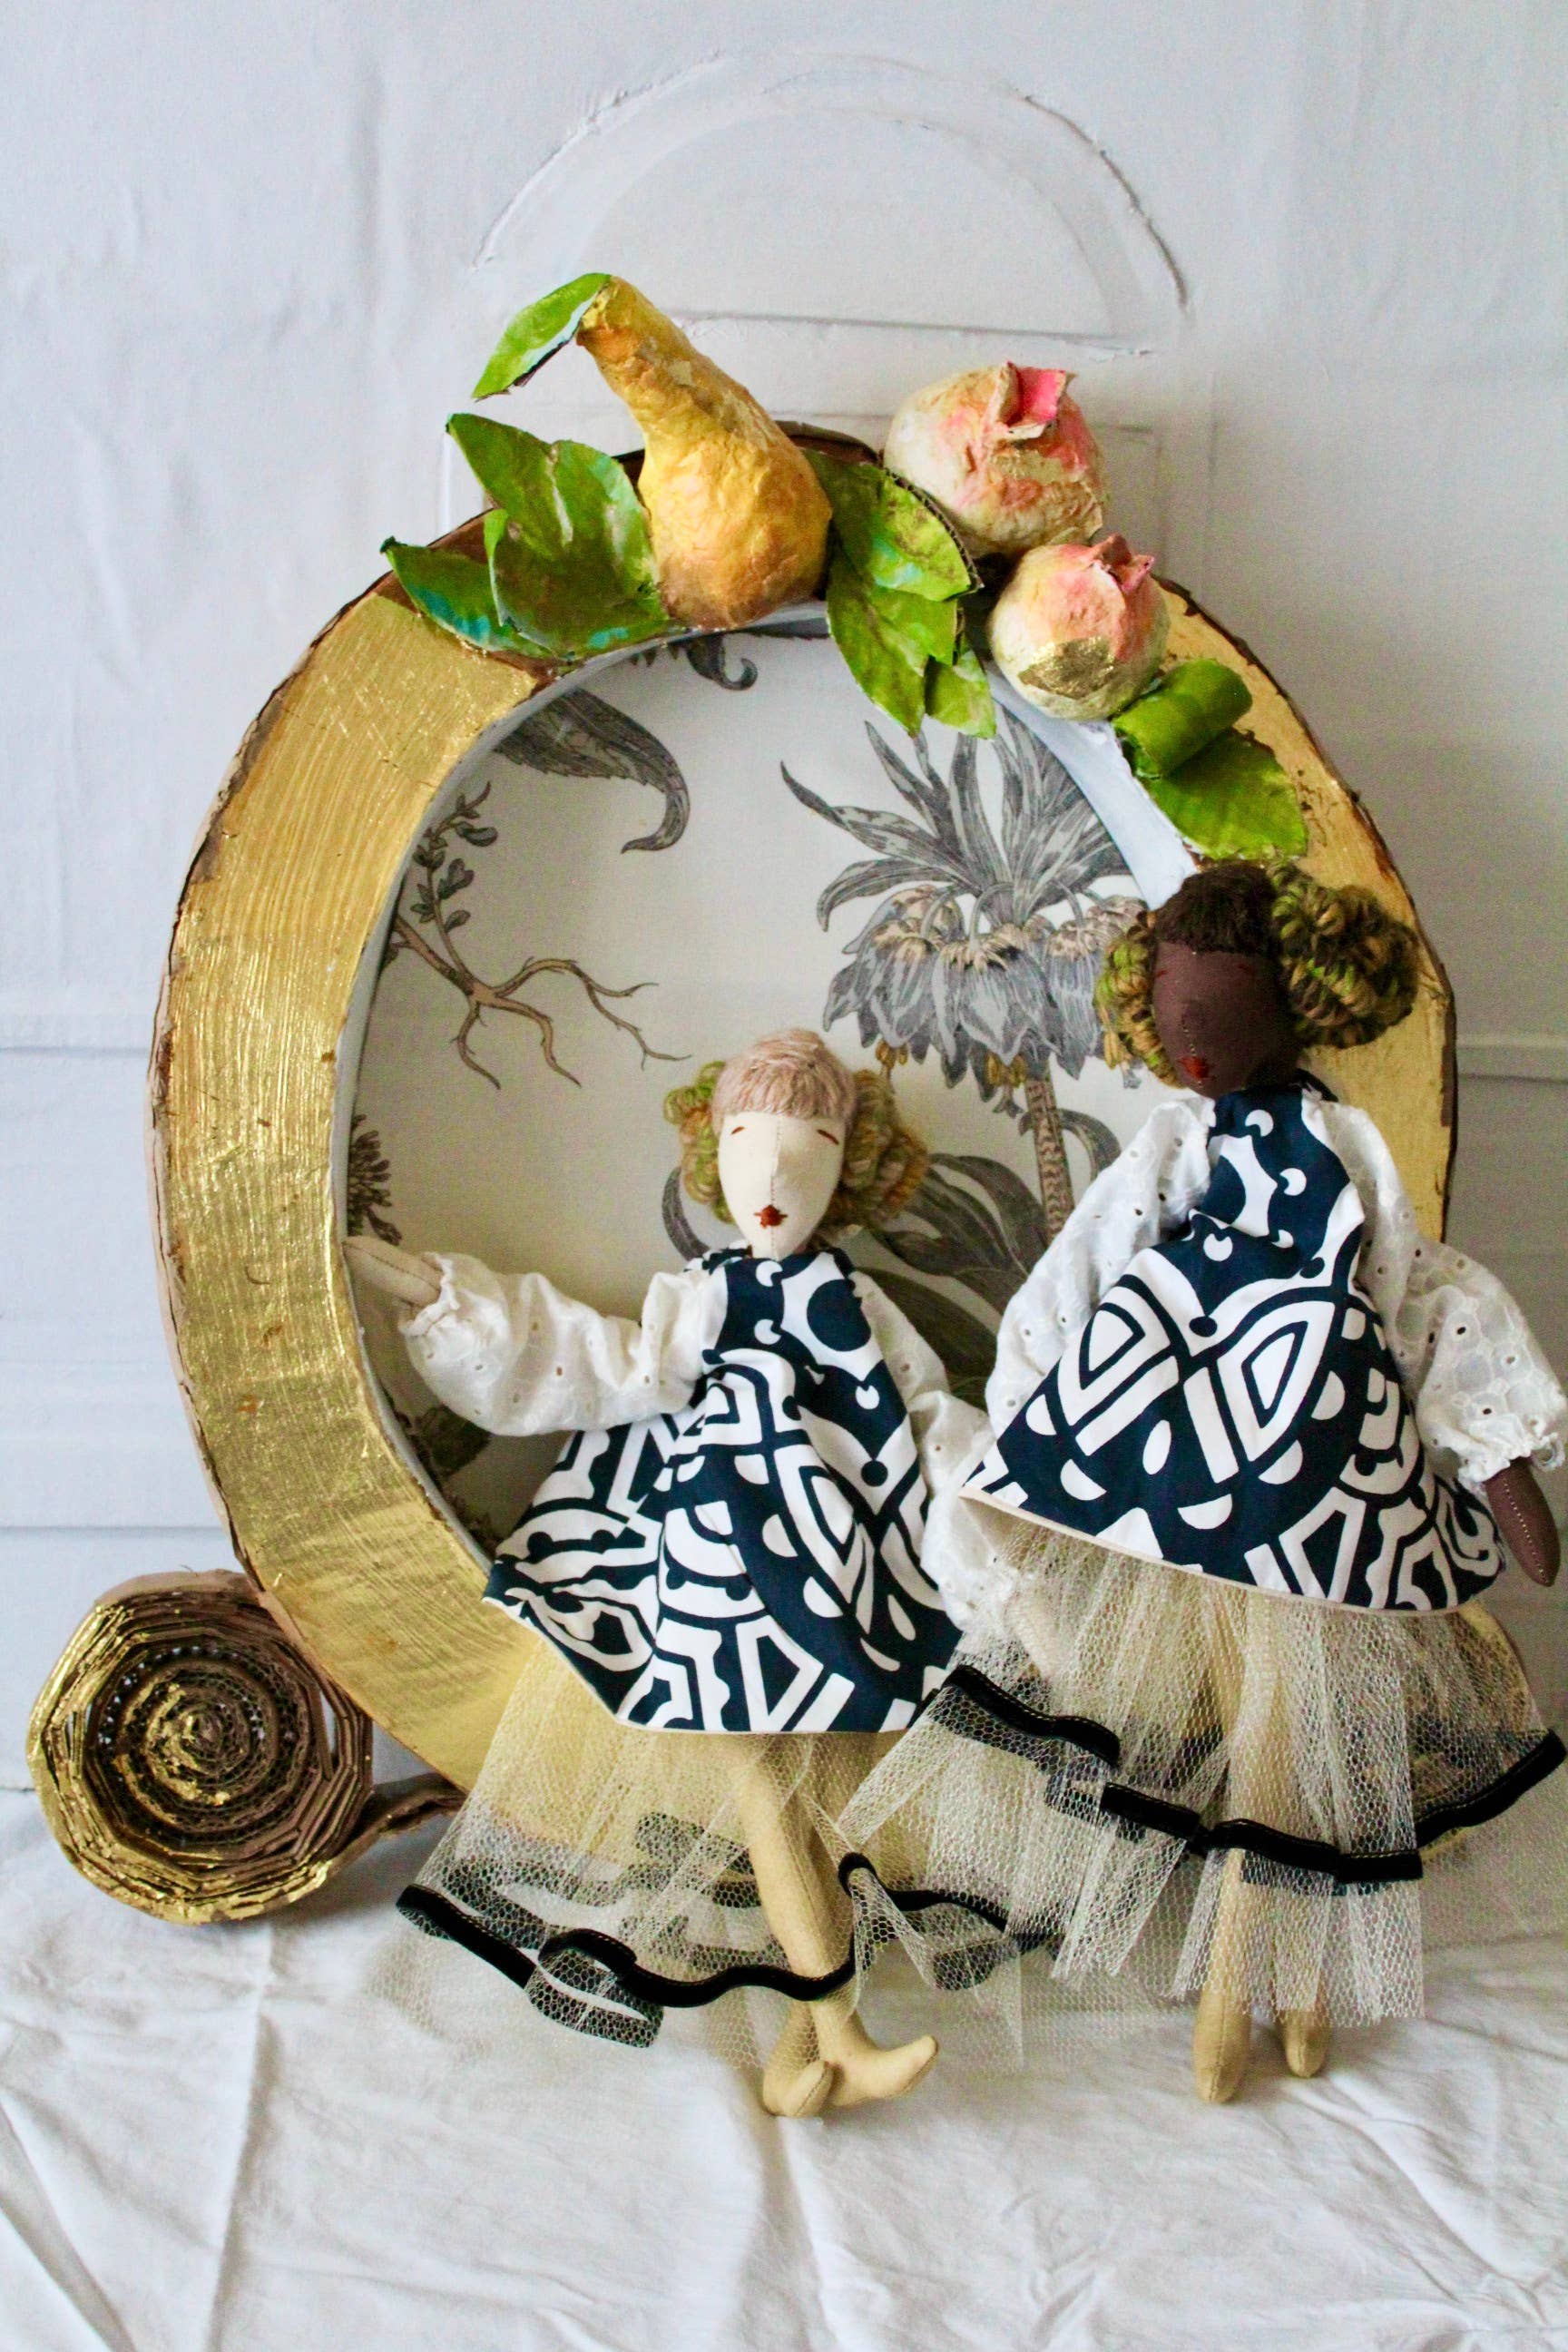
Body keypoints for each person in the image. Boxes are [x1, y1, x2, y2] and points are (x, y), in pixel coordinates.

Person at [838, 863, 1567, 2100]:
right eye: (1175, 1012)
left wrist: (1499, 1451)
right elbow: (1086, 1263)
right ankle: (1262, 1979)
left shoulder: (1347, 1150)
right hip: (1171, 1458)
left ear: (1303, 1001)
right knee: (1251, 1725)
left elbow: (1420, 1292)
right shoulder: (1177, 1142)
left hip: (1314, 1467)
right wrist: (1029, 1409)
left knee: (1298, 1730)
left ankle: (1269, 1977)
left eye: (1218, 1011)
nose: (1192, 1039)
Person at [348, 1028, 982, 2114]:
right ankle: (844, 2029)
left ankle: (801, 2057)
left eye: (811, 1142)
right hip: (712, 1583)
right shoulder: (700, 1298)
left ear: (849, 1162)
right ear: (712, 1150)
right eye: (746, 1140)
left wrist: (1003, 1496)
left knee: (820, 1802)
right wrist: (451, 1301)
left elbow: (923, 1411)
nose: (773, 1172)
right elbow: (603, 1362)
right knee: (769, 1793)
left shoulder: (858, 1302)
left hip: (841, 1583)